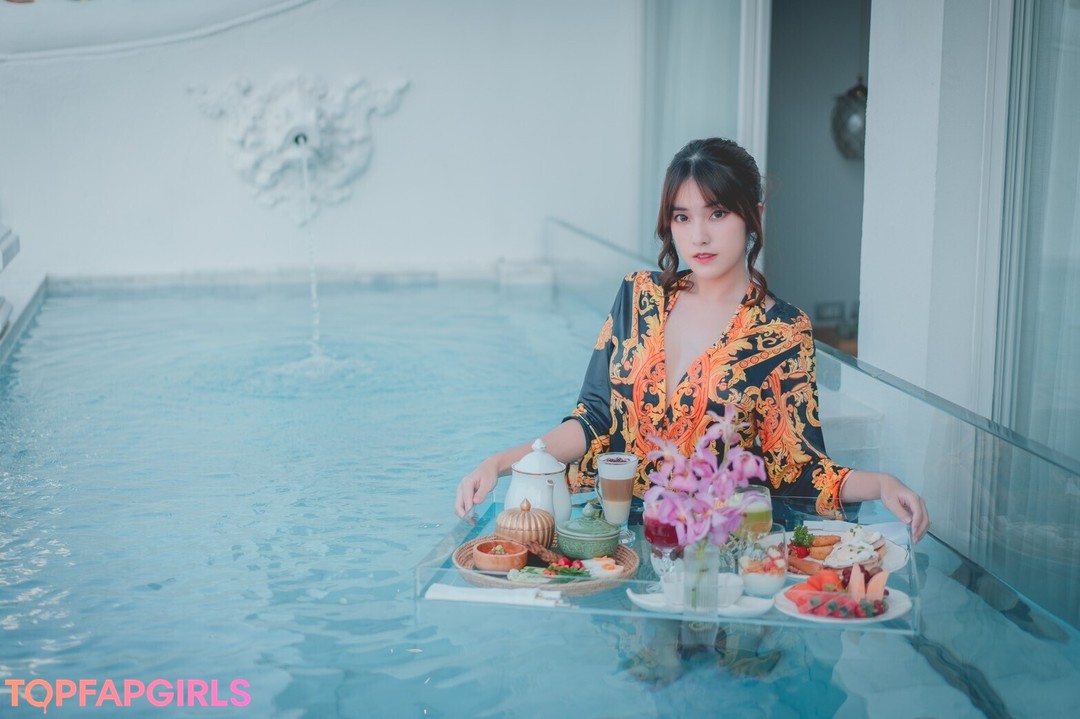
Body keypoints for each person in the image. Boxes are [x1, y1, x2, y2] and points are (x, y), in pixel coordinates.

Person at [455, 137, 929, 543]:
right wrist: (501, 463)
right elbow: (593, 420)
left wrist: (880, 485)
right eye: (682, 217)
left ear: (754, 216)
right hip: (615, 545)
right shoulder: (638, 298)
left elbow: (797, 468)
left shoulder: (781, 331)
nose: (699, 235)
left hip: (713, 554)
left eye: (717, 213)